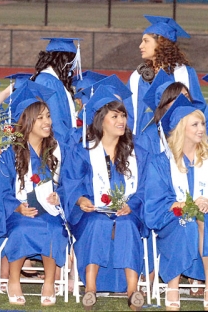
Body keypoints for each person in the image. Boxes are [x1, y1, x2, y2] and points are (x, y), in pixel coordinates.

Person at [61, 84, 148, 311]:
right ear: (101, 120)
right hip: (91, 215)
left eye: (123, 116)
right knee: (98, 223)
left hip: (129, 212)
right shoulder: (82, 150)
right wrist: (80, 200)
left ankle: (132, 291)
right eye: (115, 116)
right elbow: (69, 183)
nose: (121, 121)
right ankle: (90, 289)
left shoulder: (135, 151)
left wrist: (132, 205)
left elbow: (146, 187)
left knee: (127, 225)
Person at [0, 81, 68, 306]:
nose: (47, 122)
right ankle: (13, 280)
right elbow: (2, 188)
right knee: (23, 227)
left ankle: (48, 282)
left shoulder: (55, 148)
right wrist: (17, 207)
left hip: (47, 209)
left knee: (54, 228)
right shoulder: (10, 150)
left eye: (48, 116)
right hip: (18, 209)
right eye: (41, 118)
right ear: (27, 120)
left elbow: (65, 183)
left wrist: (59, 196)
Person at [144, 95, 208, 310]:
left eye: (203, 124)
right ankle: (173, 283)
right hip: (171, 218)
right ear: (182, 128)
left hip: (203, 214)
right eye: (195, 124)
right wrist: (180, 205)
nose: (201, 129)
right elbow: (154, 202)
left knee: (205, 221)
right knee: (187, 223)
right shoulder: (161, 162)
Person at [125, 15, 205, 137]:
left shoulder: (184, 73)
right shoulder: (137, 77)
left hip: (176, 140)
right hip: (142, 143)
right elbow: (128, 112)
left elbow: (198, 109)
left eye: (146, 41)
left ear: (161, 43)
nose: (141, 46)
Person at [31, 37, 80, 143]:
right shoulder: (49, 82)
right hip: (56, 142)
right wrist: (69, 144)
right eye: (71, 62)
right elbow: (56, 120)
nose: (72, 67)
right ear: (64, 60)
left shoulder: (50, 79)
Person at [138, 69, 194, 155]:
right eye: (177, 97)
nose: (183, 100)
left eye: (186, 96)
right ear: (164, 103)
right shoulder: (150, 136)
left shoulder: (197, 127)